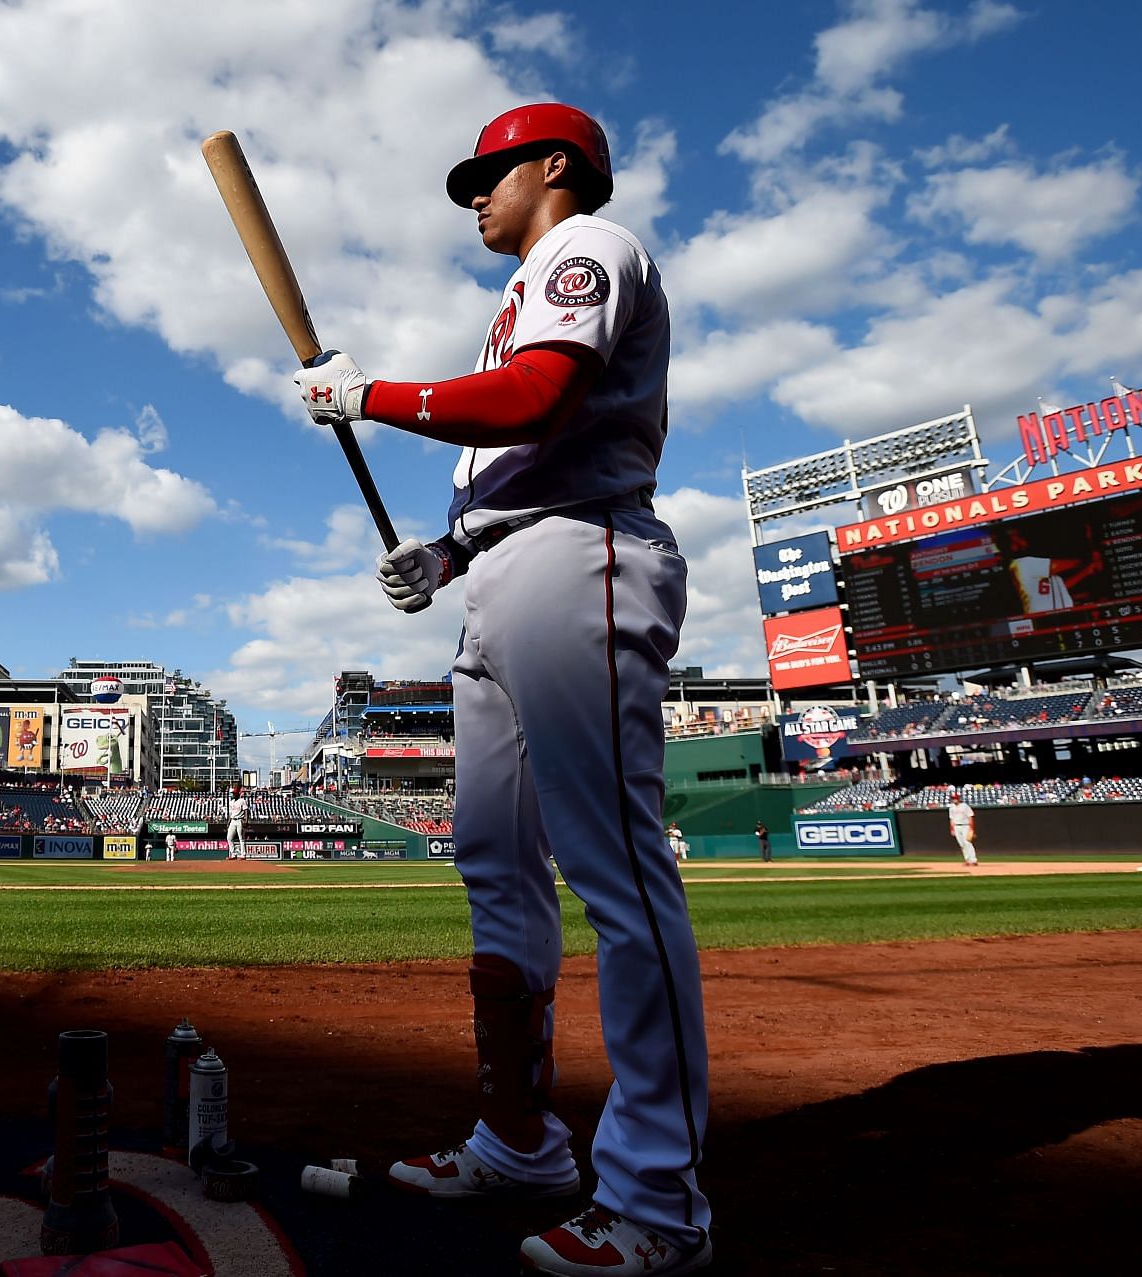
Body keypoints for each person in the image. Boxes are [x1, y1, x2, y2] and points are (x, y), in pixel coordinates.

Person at [293, 103, 710, 1277]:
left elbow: (538, 402)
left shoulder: (589, 250)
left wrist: (372, 393)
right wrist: (447, 554)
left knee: (617, 872)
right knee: (494, 863)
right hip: (513, 567)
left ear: (556, 168)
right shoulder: (524, 286)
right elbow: (519, 460)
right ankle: (523, 1140)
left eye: (491, 172)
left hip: (588, 555)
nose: (475, 194)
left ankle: (658, 1198)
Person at [947, 796, 978, 867]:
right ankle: (967, 860)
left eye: (955, 798)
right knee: (961, 844)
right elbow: (951, 819)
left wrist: (971, 828)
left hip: (965, 826)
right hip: (956, 826)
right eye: (953, 798)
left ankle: (973, 860)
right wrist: (952, 829)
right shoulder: (951, 807)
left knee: (967, 843)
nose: (954, 800)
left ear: (958, 799)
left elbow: (970, 817)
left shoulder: (965, 806)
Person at [225, 787, 246, 861]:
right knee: (229, 838)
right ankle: (233, 854)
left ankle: (243, 855)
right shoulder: (231, 802)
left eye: (234, 793)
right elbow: (230, 814)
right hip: (233, 820)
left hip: (240, 820)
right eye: (232, 793)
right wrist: (228, 822)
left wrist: (246, 820)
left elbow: (246, 811)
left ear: (237, 794)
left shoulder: (242, 801)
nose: (233, 795)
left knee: (241, 838)